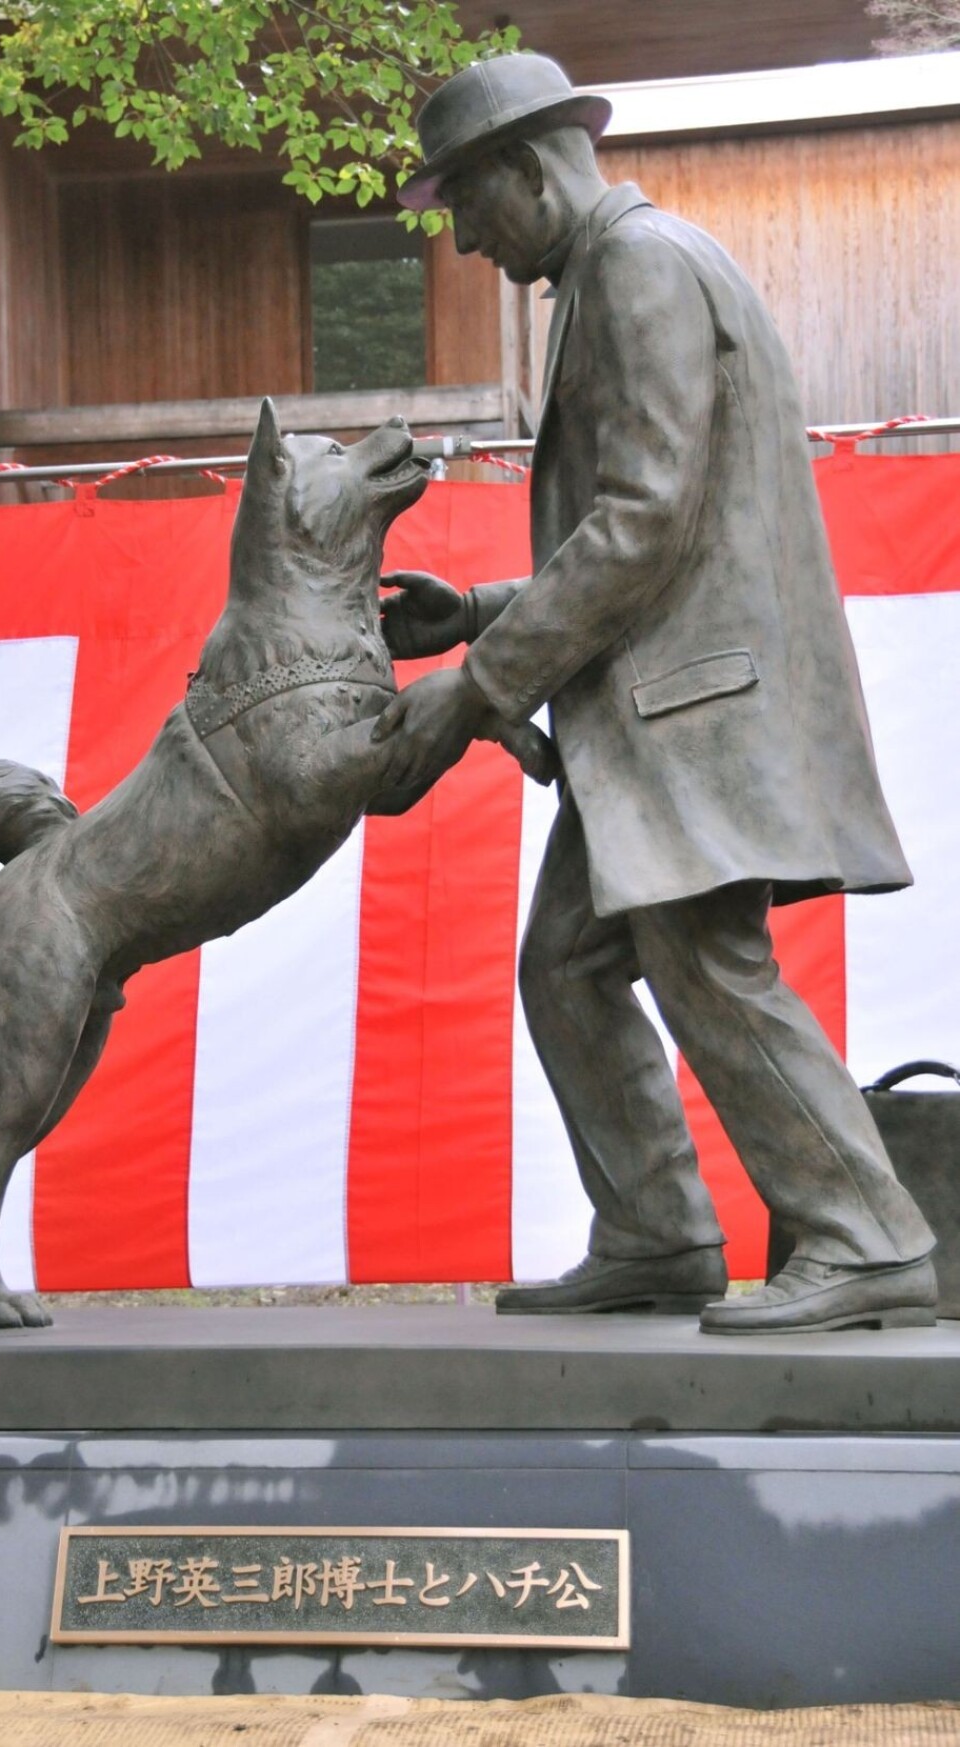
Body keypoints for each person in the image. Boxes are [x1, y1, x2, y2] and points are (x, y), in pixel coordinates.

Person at [373, 52, 937, 1333]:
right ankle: (657, 1233)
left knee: (706, 964)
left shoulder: (635, 267)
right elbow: (664, 531)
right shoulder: (630, 267)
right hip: (668, 706)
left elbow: (640, 527)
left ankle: (869, 1237)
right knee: (568, 966)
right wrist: (476, 612)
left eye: (464, 201)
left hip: (691, 714)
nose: (462, 238)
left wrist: (474, 685)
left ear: (525, 168)